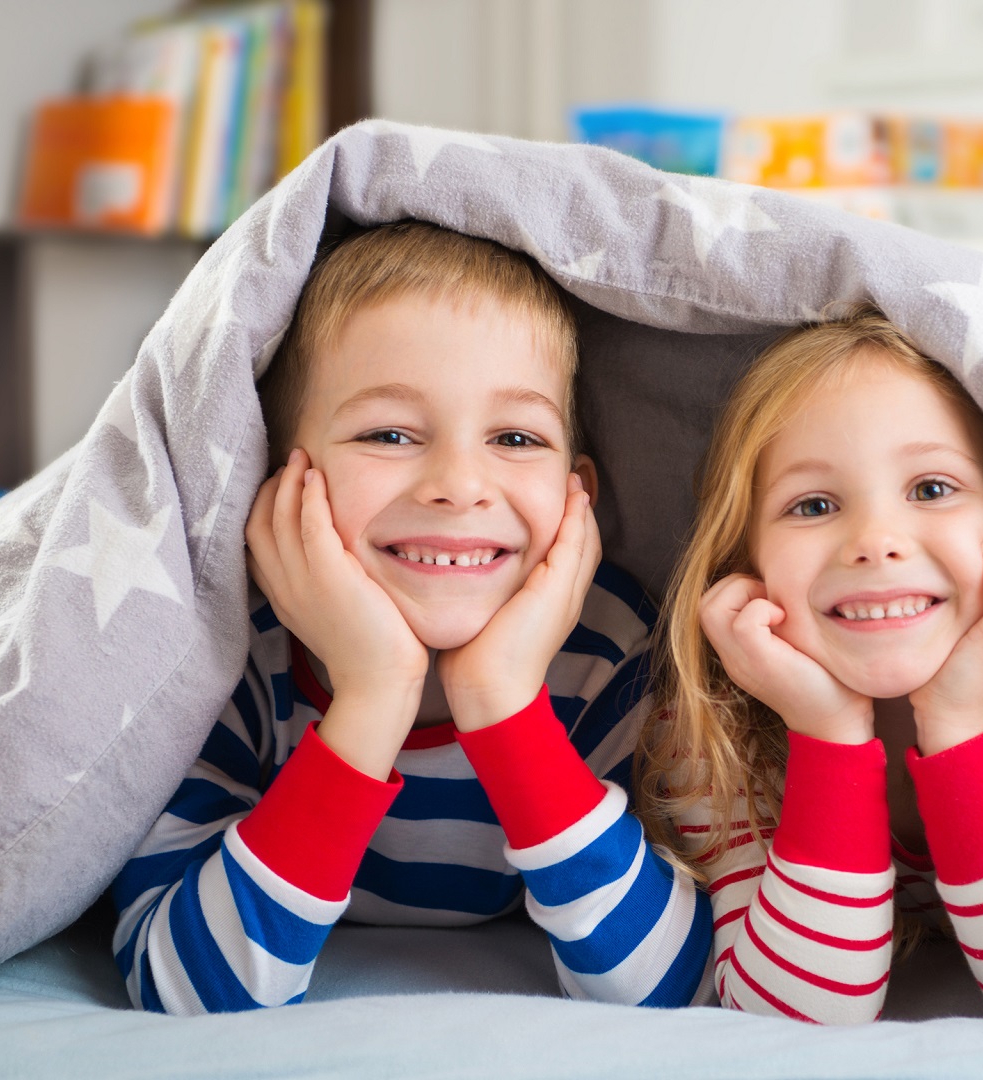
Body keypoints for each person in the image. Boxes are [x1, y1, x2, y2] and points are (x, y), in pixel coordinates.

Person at [111, 221, 711, 1014]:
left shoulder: (617, 655)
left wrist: (503, 704)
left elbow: (673, 986)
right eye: (389, 434)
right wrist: (372, 694)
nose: (459, 486)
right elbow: (184, 990)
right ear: (282, 484)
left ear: (579, 498)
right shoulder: (228, 654)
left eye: (516, 436)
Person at [636, 305, 983, 1025]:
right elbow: (801, 1015)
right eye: (814, 504)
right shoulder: (709, 729)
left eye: (931, 489)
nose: (876, 541)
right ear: (745, 561)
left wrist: (963, 723)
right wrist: (826, 735)